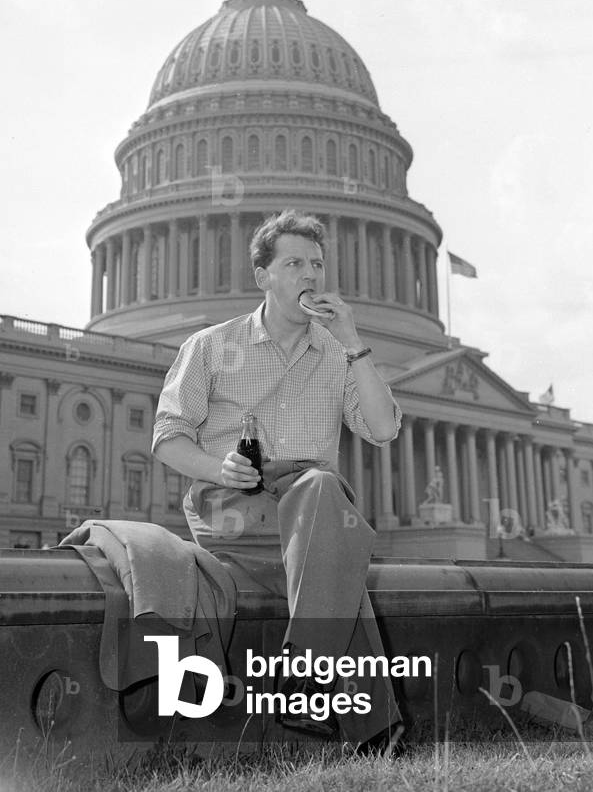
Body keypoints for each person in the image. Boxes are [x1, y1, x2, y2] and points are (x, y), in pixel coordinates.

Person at [152, 208, 404, 750]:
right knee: (334, 547)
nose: (310, 275)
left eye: (317, 264)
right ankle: (368, 724)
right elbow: (168, 436)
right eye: (294, 264)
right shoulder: (210, 346)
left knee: (323, 508)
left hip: (309, 506)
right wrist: (218, 467)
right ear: (262, 275)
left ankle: (328, 699)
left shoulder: (337, 353)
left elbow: (383, 429)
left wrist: (353, 341)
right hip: (233, 502)